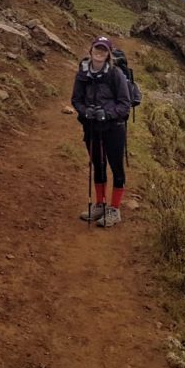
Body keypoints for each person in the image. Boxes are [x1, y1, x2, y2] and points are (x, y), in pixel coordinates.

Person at [71, 35, 132, 228]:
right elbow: (76, 99)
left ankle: (114, 210)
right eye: (97, 48)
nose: (99, 52)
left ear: (108, 54)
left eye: (103, 50)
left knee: (116, 167)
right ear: (91, 50)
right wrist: (85, 111)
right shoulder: (83, 73)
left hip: (114, 128)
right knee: (98, 164)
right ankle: (100, 204)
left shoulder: (116, 74)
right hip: (91, 127)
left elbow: (125, 104)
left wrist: (106, 114)